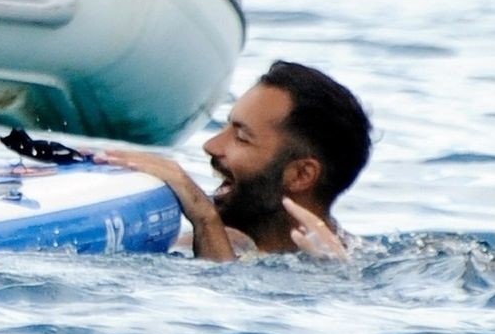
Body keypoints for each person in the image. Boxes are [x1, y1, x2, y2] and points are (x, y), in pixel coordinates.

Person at [101, 60, 371, 261]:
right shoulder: (212, 243)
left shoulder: (345, 266)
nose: (211, 145)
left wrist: (204, 219)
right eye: (225, 127)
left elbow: (220, 295)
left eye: (241, 138)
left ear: (301, 175)